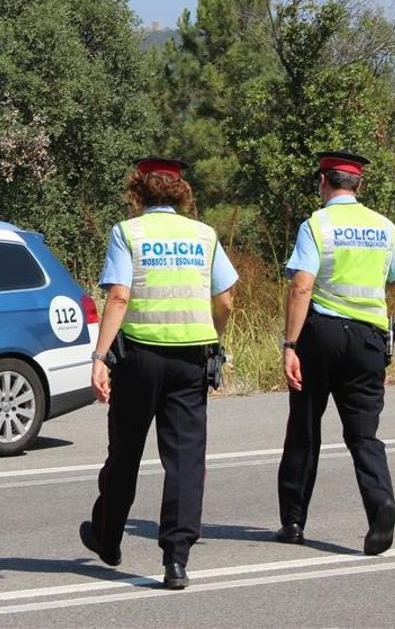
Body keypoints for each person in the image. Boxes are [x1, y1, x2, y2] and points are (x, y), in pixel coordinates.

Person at [80, 157, 237, 590]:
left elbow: (118, 296)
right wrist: (215, 342)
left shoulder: (128, 232)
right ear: (181, 189)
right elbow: (225, 298)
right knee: (185, 460)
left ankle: (108, 540)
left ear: (138, 190)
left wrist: (99, 356)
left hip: (140, 360)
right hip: (191, 360)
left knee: (125, 452)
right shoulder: (204, 235)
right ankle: (177, 559)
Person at [276, 151, 395, 555]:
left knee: (304, 429)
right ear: (359, 185)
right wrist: (376, 286)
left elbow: (301, 286)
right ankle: (381, 506)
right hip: (369, 341)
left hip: (320, 336)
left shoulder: (316, 224)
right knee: (363, 435)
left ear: (324, 182)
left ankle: (293, 522)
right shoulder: (383, 227)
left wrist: (290, 345)